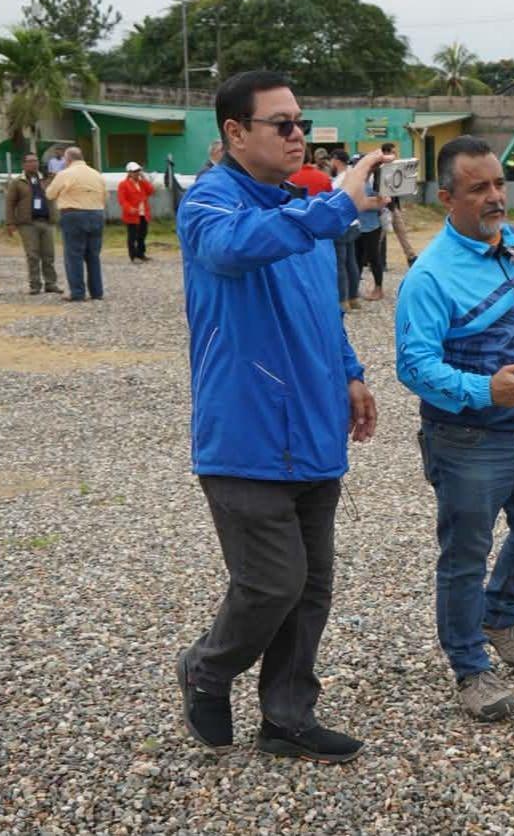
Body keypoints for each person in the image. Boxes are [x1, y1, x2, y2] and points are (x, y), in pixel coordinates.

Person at [174, 70, 390, 763]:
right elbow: (235, 249)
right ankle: (207, 667)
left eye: (302, 121)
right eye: (283, 124)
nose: (299, 135)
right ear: (235, 133)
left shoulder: (298, 207)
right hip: (246, 434)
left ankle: (288, 719)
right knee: (272, 583)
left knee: (312, 588)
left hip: (314, 432)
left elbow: (319, 312)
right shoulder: (210, 205)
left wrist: (351, 374)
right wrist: (335, 208)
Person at [394, 135, 514, 722]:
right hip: (466, 443)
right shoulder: (430, 277)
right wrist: (483, 389)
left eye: (499, 183)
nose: (495, 197)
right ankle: (469, 666)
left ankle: (500, 614)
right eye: (479, 188)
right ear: (447, 196)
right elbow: (414, 366)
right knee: (465, 555)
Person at [45, 146, 106, 302]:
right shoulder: (96, 174)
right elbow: (105, 196)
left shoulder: (65, 174)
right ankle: (97, 292)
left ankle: (77, 292)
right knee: (93, 255)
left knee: (74, 255)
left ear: (68, 159)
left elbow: (50, 194)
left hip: (73, 214)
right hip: (96, 213)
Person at [4, 151, 61, 294]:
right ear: (24, 164)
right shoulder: (18, 182)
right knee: (33, 255)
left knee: (49, 255)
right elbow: (10, 203)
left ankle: (51, 283)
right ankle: (35, 285)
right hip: (27, 223)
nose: (33, 163)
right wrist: (10, 223)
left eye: (35, 161)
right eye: (29, 161)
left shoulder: (46, 179)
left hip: (46, 222)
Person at [329, 150, 362, 312]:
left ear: (336, 160)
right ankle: (354, 297)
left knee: (340, 264)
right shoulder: (352, 175)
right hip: (354, 222)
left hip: (342, 224)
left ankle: (343, 300)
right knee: (351, 262)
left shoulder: (339, 180)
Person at [380, 141, 418, 268]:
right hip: (382, 207)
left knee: (402, 232)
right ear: (385, 153)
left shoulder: (395, 167)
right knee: (379, 237)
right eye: (393, 152)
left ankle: (411, 256)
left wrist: (397, 207)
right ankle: (373, 259)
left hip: (393, 206)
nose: (395, 155)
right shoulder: (379, 168)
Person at [354, 159, 386, 301]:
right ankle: (354, 289)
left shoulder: (376, 181)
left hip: (372, 225)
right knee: (357, 258)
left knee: (374, 258)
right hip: (358, 225)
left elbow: (382, 202)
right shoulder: (357, 181)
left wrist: (366, 203)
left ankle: (378, 288)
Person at [117, 161, 155, 263]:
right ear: (129, 172)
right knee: (132, 237)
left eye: (138, 171)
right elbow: (122, 200)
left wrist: (144, 179)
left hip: (143, 214)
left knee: (142, 235)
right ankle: (133, 256)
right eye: (134, 171)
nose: (137, 173)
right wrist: (129, 208)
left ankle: (141, 254)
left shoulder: (142, 183)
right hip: (132, 215)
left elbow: (151, 191)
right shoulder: (123, 185)